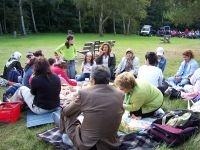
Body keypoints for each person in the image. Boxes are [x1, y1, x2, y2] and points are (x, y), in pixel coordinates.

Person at [59, 65, 124, 149]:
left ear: (93, 80)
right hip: (110, 144)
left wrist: (71, 100)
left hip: (89, 145)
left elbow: (67, 112)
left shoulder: (84, 93)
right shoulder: (120, 94)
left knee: (65, 114)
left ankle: (65, 135)